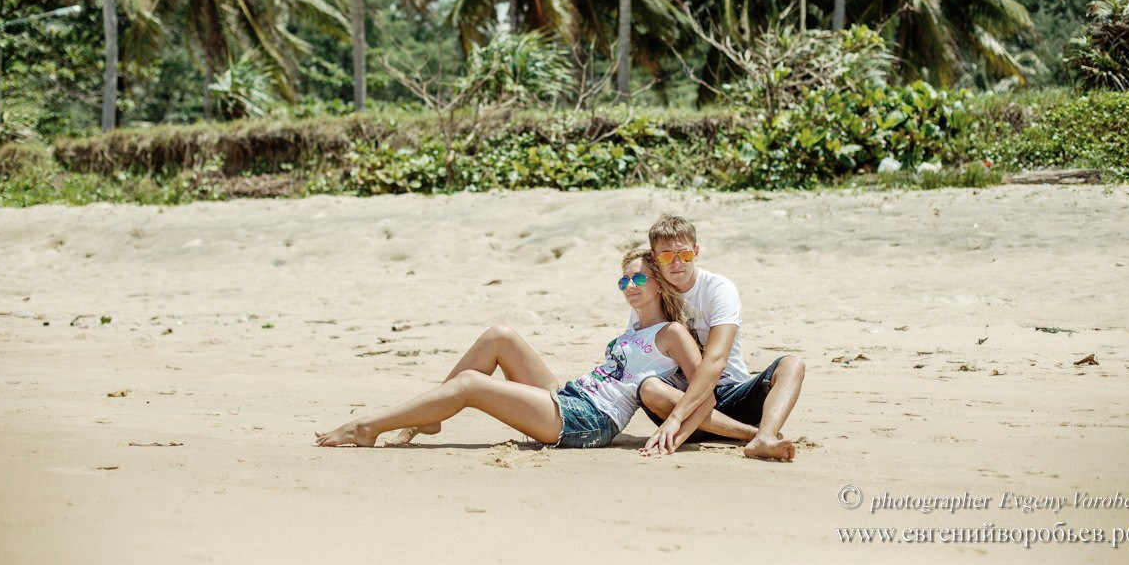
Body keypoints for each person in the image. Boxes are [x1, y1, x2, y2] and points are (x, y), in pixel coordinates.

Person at [315, 247, 715, 451]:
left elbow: (703, 391)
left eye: (639, 280)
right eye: (623, 282)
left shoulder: (673, 332)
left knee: (472, 385)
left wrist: (677, 431)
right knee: (499, 335)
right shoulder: (634, 328)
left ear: (660, 284)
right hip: (572, 399)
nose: (630, 288)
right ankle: (431, 417)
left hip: (588, 423)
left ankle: (366, 427)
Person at [634, 215, 805, 461]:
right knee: (648, 388)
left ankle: (765, 436)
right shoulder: (649, 295)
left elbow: (716, 360)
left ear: (696, 251)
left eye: (684, 254)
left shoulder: (717, 289)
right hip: (683, 405)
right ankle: (751, 435)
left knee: (792, 364)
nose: (676, 262)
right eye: (666, 255)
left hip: (729, 397)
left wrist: (675, 419)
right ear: (654, 257)